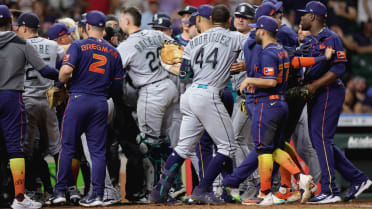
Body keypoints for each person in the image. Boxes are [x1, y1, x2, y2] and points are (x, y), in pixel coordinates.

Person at [150, 4, 246, 204]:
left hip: (189, 94)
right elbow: (255, 49)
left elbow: (185, 75)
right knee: (228, 146)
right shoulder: (235, 37)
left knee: (184, 147)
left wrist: (173, 66)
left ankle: (159, 191)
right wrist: (243, 65)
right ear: (228, 21)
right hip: (208, 94)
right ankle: (202, 189)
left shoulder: (194, 41)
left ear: (209, 19)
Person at [46, 10, 124, 207]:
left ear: (87, 27)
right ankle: (97, 195)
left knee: (67, 147)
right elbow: (117, 88)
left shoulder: (79, 45)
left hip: (79, 99)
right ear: (104, 28)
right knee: (97, 151)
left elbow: (65, 71)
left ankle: (60, 192)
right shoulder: (114, 52)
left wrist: (58, 85)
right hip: (100, 103)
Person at [298, 1, 372, 203]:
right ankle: (358, 178)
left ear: (313, 17)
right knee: (319, 141)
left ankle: (330, 190)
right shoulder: (310, 41)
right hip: (317, 92)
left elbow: (339, 68)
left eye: (305, 14)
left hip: (329, 91)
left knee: (321, 139)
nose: (301, 17)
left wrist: (314, 86)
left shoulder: (332, 38)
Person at [239, 15, 313, 205]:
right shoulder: (280, 50)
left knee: (265, 149)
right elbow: (295, 63)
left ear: (262, 31)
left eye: (257, 28)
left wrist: (250, 80)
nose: (254, 31)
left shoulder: (268, 52)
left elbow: (271, 80)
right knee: (276, 146)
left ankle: (270, 191)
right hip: (282, 102)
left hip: (270, 103)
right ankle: (292, 183)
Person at [0, 5, 60, 209]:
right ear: (10, 22)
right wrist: (66, 75)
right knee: (16, 149)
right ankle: (18, 199)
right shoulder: (21, 43)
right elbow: (45, 70)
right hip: (12, 97)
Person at [117, 6, 178, 199]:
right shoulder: (155, 34)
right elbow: (178, 49)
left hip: (151, 91)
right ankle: (173, 185)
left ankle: (158, 189)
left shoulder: (125, 46)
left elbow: (113, 73)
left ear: (127, 21)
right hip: (169, 87)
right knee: (164, 141)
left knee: (146, 144)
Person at [15, 12, 64, 202]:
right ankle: (63, 189)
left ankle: (31, 189)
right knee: (56, 147)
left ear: (25, 28)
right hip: (48, 100)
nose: (18, 29)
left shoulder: (17, 46)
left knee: (27, 149)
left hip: (26, 100)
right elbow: (65, 60)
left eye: (19, 26)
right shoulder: (52, 45)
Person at [229, 2, 259, 201]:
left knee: (237, 139)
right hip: (238, 95)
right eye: (238, 16)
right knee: (243, 141)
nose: (240, 19)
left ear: (253, 21)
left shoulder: (255, 38)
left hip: (250, 95)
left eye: (245, 17)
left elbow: (267, 60)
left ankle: (253, 181)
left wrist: (246, 65)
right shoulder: (232, 37)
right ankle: (254, 181)